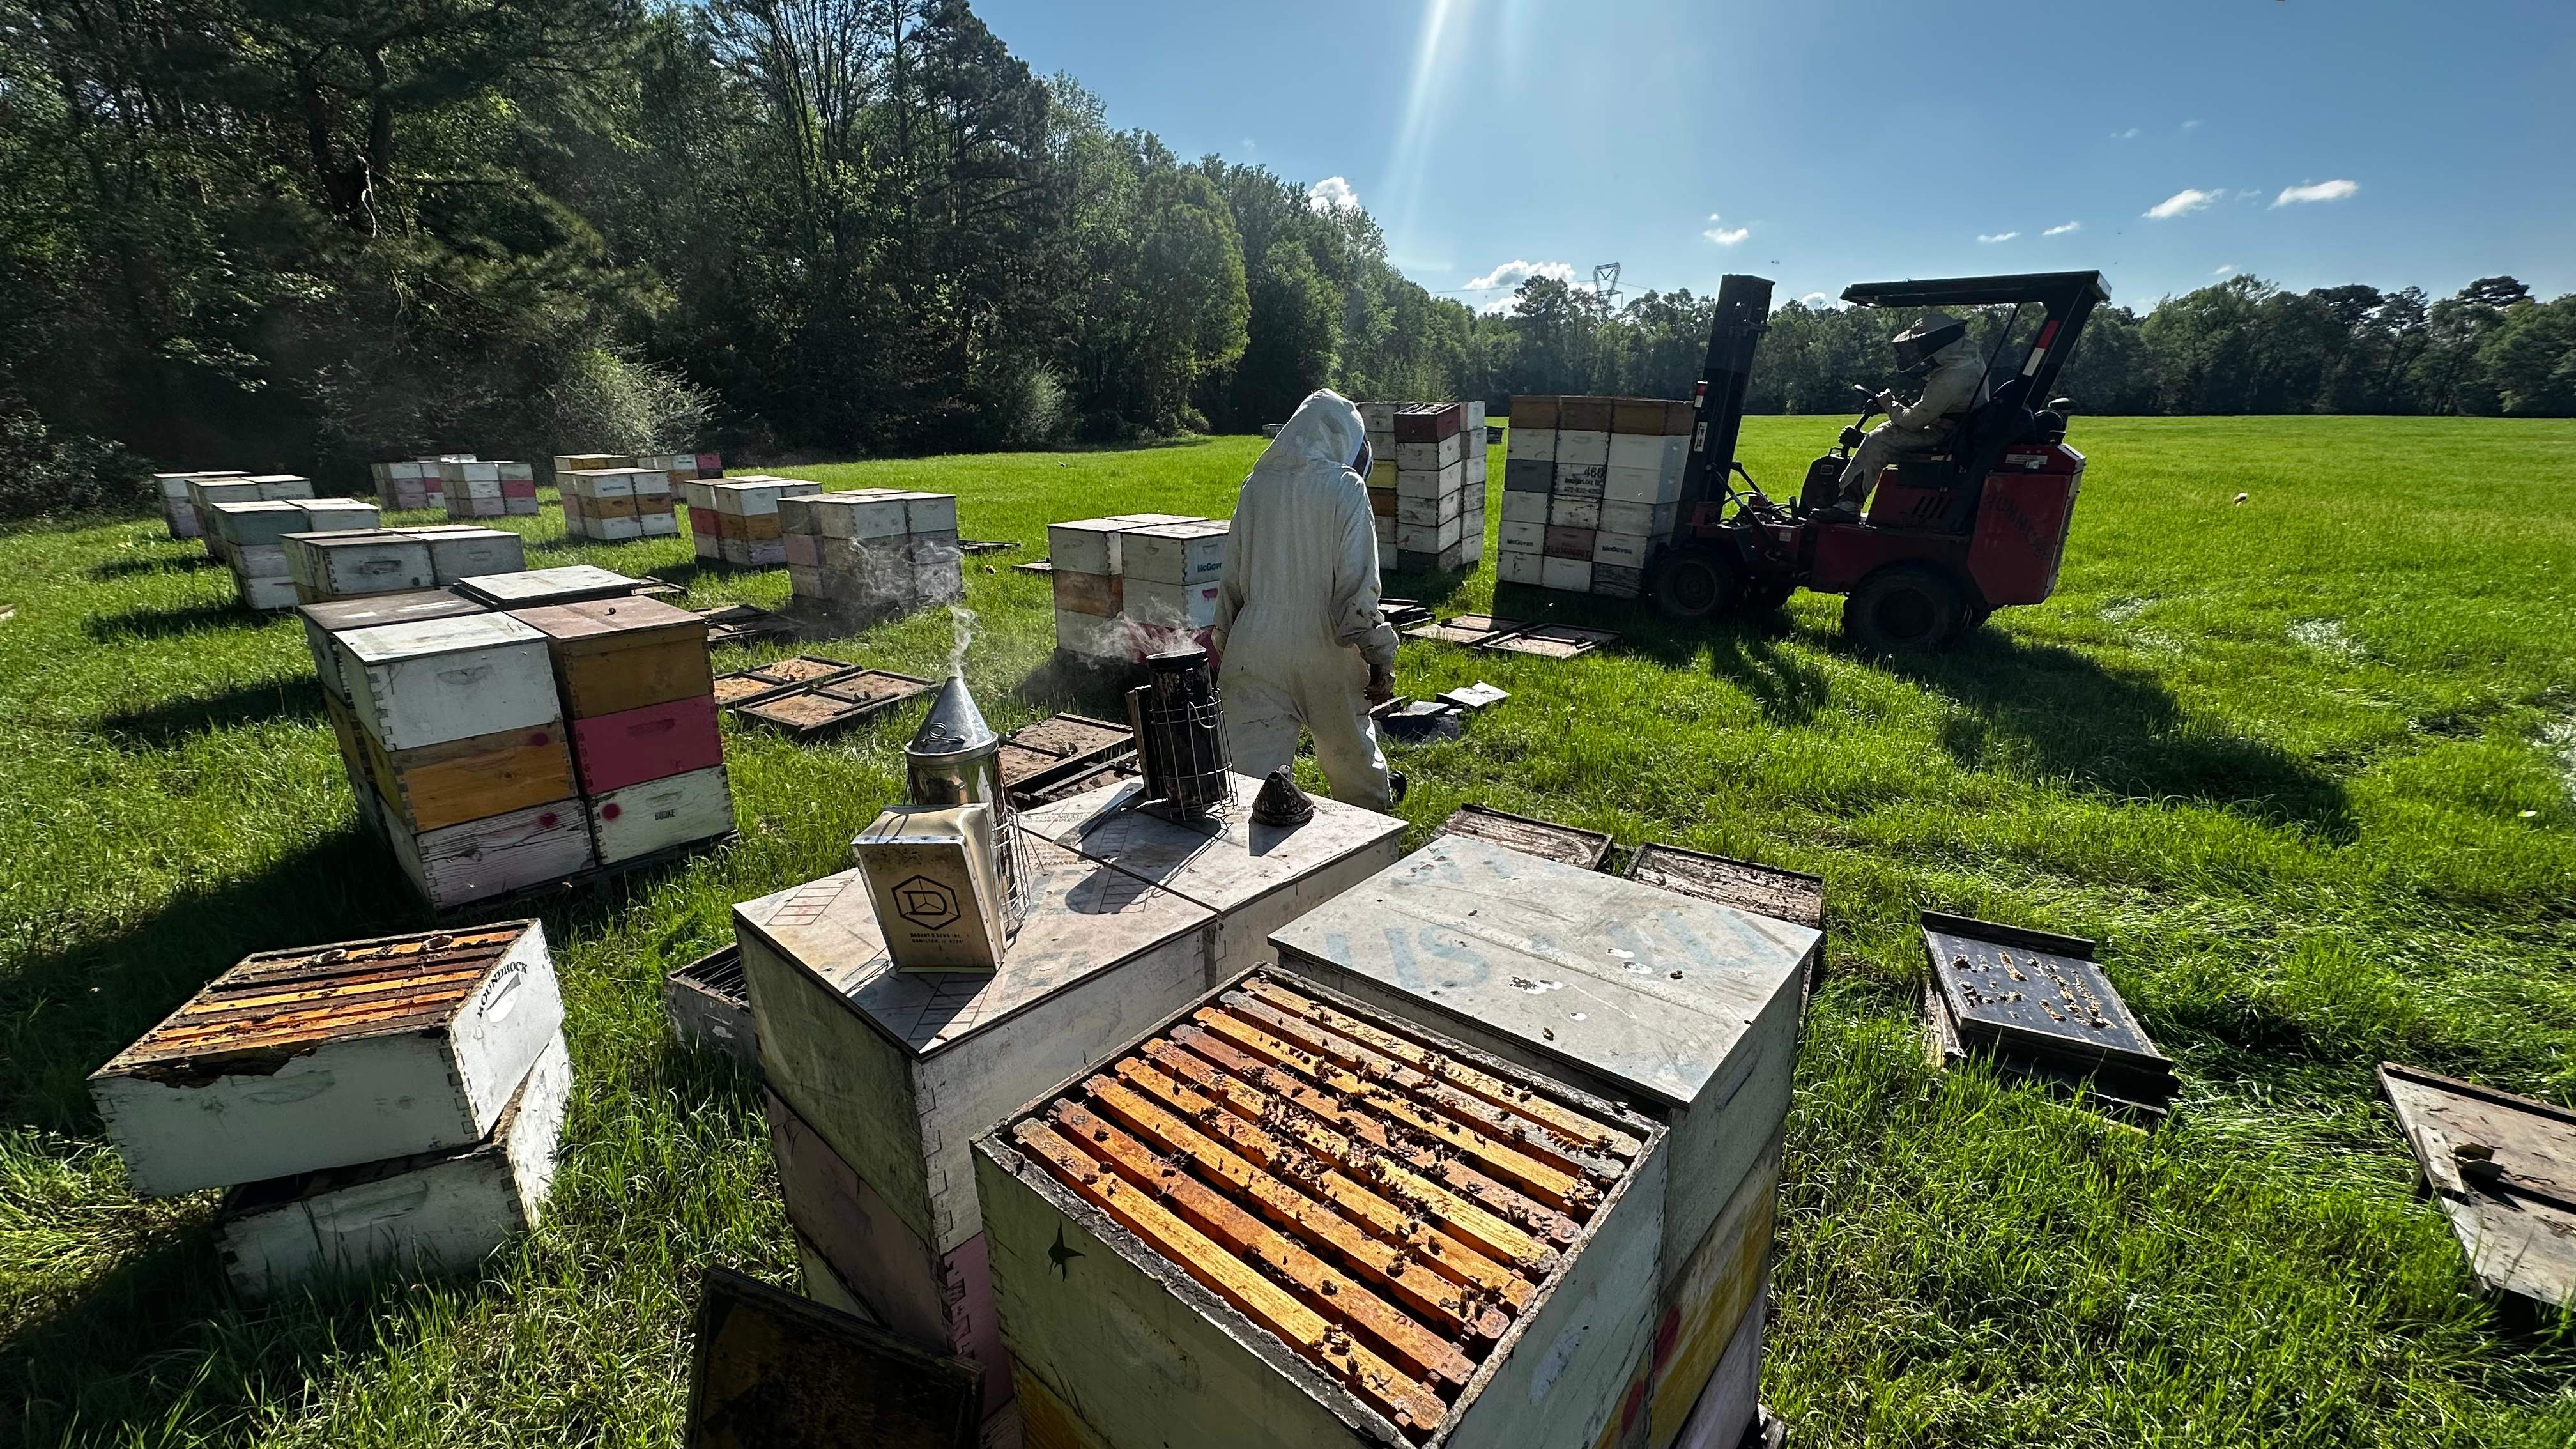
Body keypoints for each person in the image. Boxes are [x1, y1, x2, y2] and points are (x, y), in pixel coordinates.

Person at [1209, 388, 1400, 811]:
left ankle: (1253, 867)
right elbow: (1357, 587)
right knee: (1354, 773)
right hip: (1327, 648)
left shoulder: (1255, 486)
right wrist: (1379, 656)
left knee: (1249, 783)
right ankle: (1371, 858)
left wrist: (1226, 641)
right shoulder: (1346, 487)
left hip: (1253, 648)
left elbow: (1232, 581)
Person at [1820, 310, 1987, 522]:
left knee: (1878, 440)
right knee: (1884, 430)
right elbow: (1935, 407)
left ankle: (1848, 505)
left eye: (1921, 345)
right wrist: (1896, 407)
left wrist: (1889, 403)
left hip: (1946, 435)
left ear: (1936, 343)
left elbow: (1912, 421)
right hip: (1956, 431)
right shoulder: (1967, 361)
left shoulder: (1951, 376)